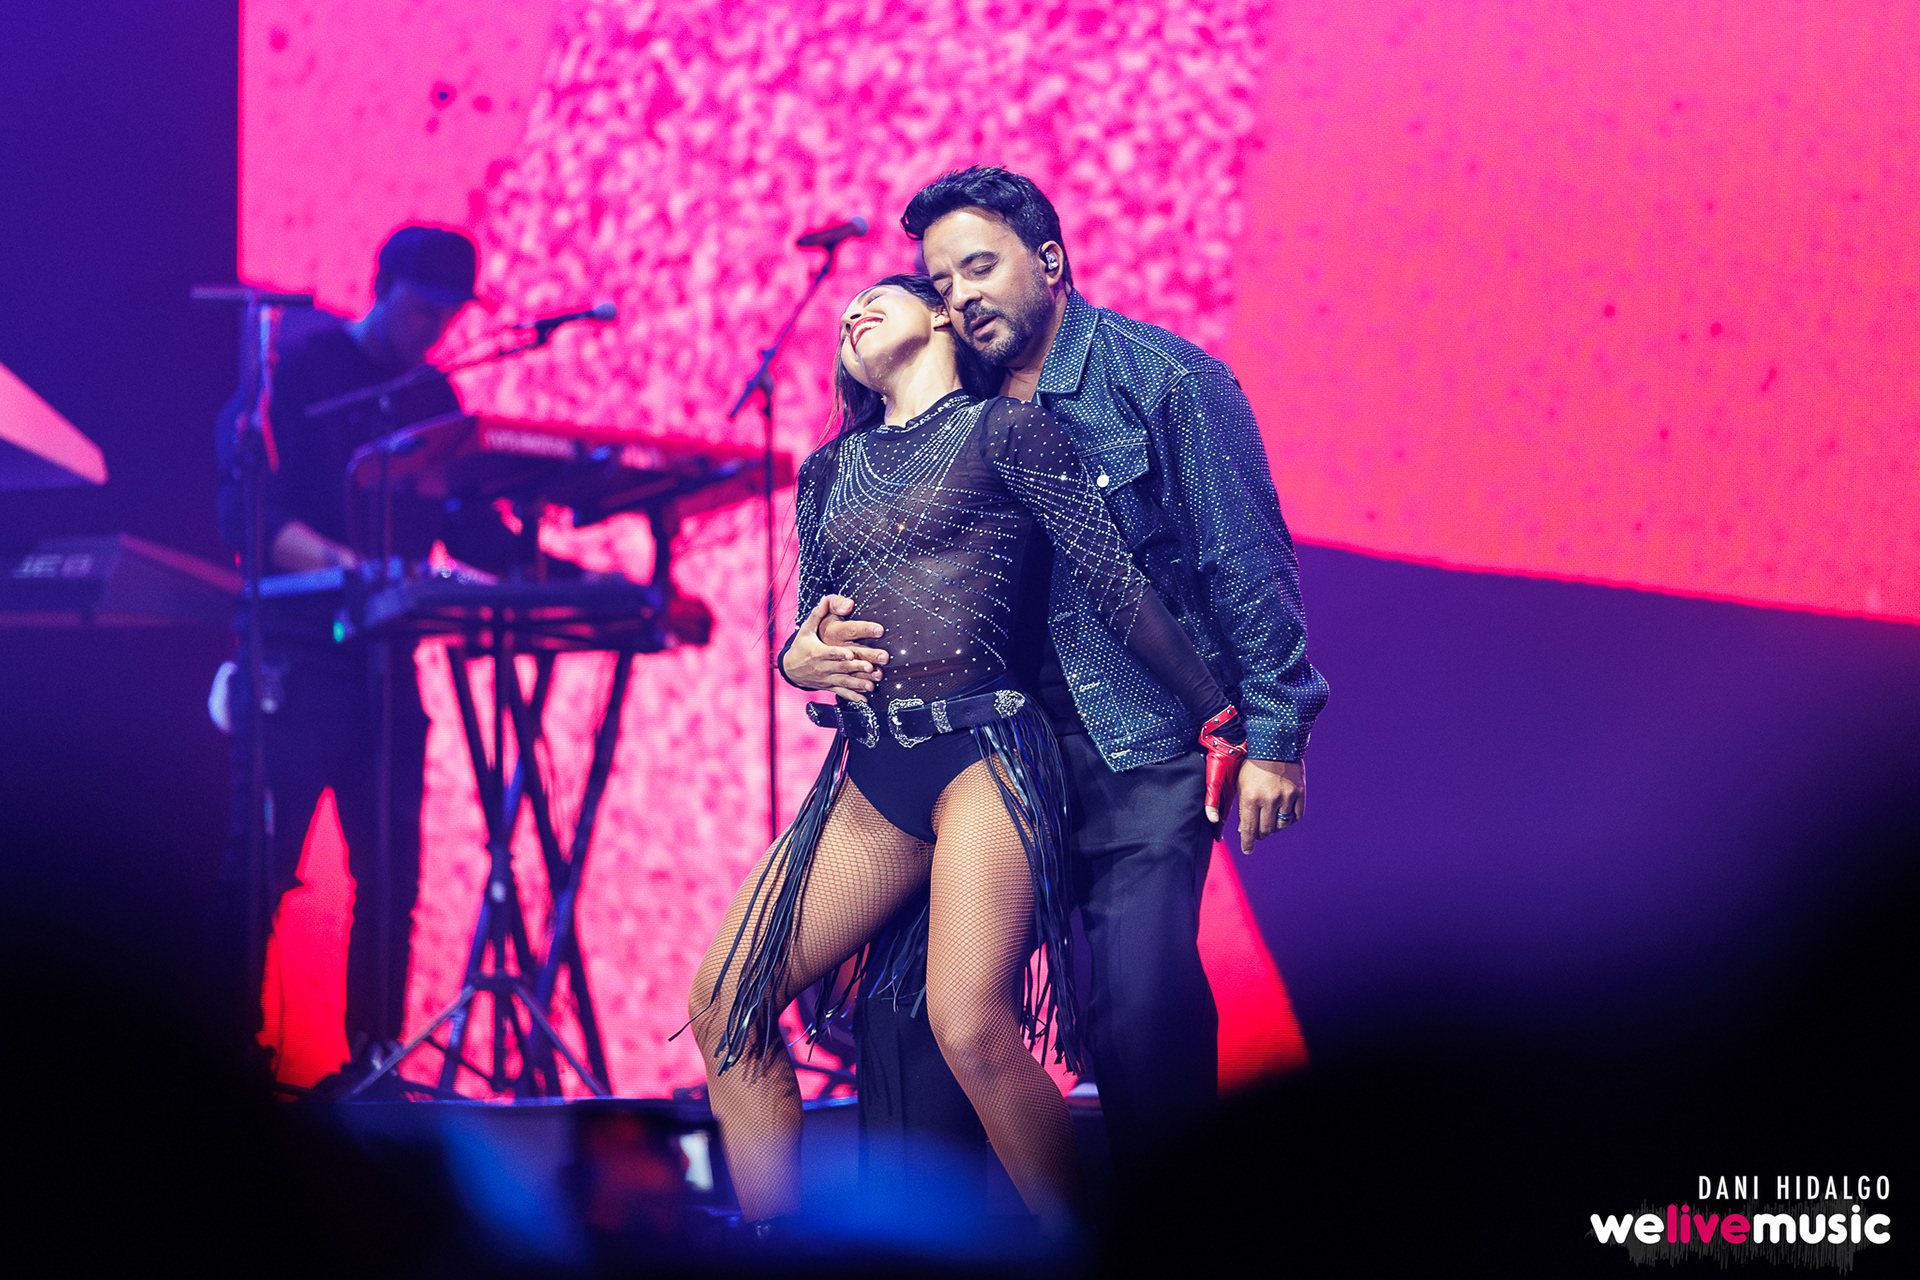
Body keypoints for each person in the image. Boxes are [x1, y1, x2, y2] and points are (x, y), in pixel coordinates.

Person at [779, 167, 1328, 1193]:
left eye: (980, 267)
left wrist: (1277, 731)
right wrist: (801, 655)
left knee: (1138, 1008)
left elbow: (1245, 561)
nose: (960, 297)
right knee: (907, 1015)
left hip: (1139, 747)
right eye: (943, 282)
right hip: (987, 762)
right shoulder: (952, 402)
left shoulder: (1166, 381)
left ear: (1050, 260)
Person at [685, 273, 1248, 1234]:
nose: (852, 312)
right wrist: (795, 659)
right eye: (844, 314)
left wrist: (1219, 714)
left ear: (943, 315)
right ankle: (777, 1245)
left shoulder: (1007, 432)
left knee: (970, 1028)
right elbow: (808, 626)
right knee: (724, 1003)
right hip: (870, 778)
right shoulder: (827, 470)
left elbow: (1113, 582)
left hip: (982, 759)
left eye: (878, 295)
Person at [206, 225, 513, 1077]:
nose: (435, 329)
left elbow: (469, 525)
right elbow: (250, 519)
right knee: (261, 872)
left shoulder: (433, 394)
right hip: (296, 661)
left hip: (386, 668)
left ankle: (374, 1068)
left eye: (450, 315)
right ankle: (225, 1066)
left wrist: (560, 565)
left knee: (390, 882)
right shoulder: (299, 367)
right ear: (381, 287)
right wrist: (356, 570)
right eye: (422, 309)